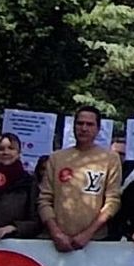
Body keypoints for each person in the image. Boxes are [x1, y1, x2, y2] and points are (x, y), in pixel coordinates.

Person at [39, 106, 123, 252]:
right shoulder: (56, 158)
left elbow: (112, 201)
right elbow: (44, 199)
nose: (84, 128)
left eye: (89, 124)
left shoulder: (110, 159)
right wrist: (56, 232)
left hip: (95, 242)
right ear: (74, 126)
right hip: (56, 241)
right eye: (80, 123)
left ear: (98, 129)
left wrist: (88, 234)